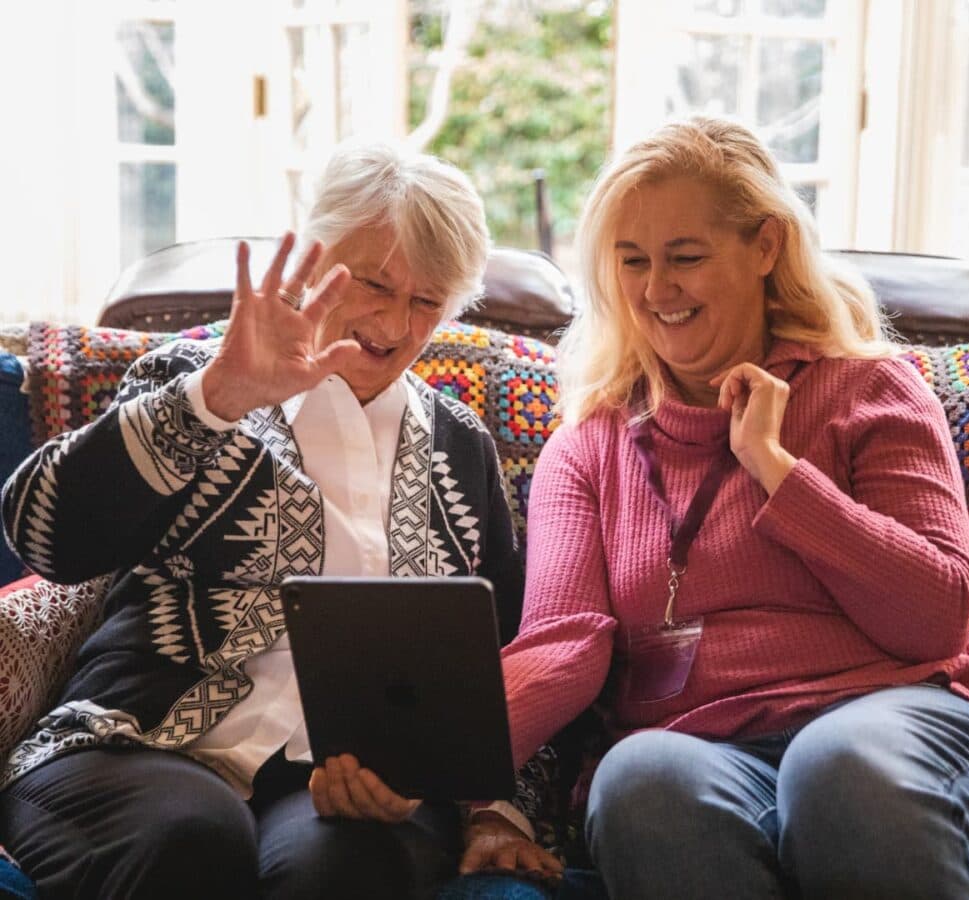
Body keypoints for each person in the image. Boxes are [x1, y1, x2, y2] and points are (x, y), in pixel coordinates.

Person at [0, 143, 559, 899]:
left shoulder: (461, 447)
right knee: (194, 838)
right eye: (373, 283)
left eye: (427, 302)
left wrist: (455, 790)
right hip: (138, 744)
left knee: (337, 869)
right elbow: (41, 533)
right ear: (314, 258)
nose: (394, 323)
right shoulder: (192, 375)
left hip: (344, 787)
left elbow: (504, 656)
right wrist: (216, 398)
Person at [485, 115, 969, 899]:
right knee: (638, 776)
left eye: (686, 257)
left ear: (765, 247)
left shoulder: (871, 389)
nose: (658, 291)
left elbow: (937, 616)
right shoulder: (589, 445)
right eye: (633, 262)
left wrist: (776, 468)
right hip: (705, 745)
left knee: (839, 764)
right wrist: (426, 767)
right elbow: (562, 644)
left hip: (901, 720)